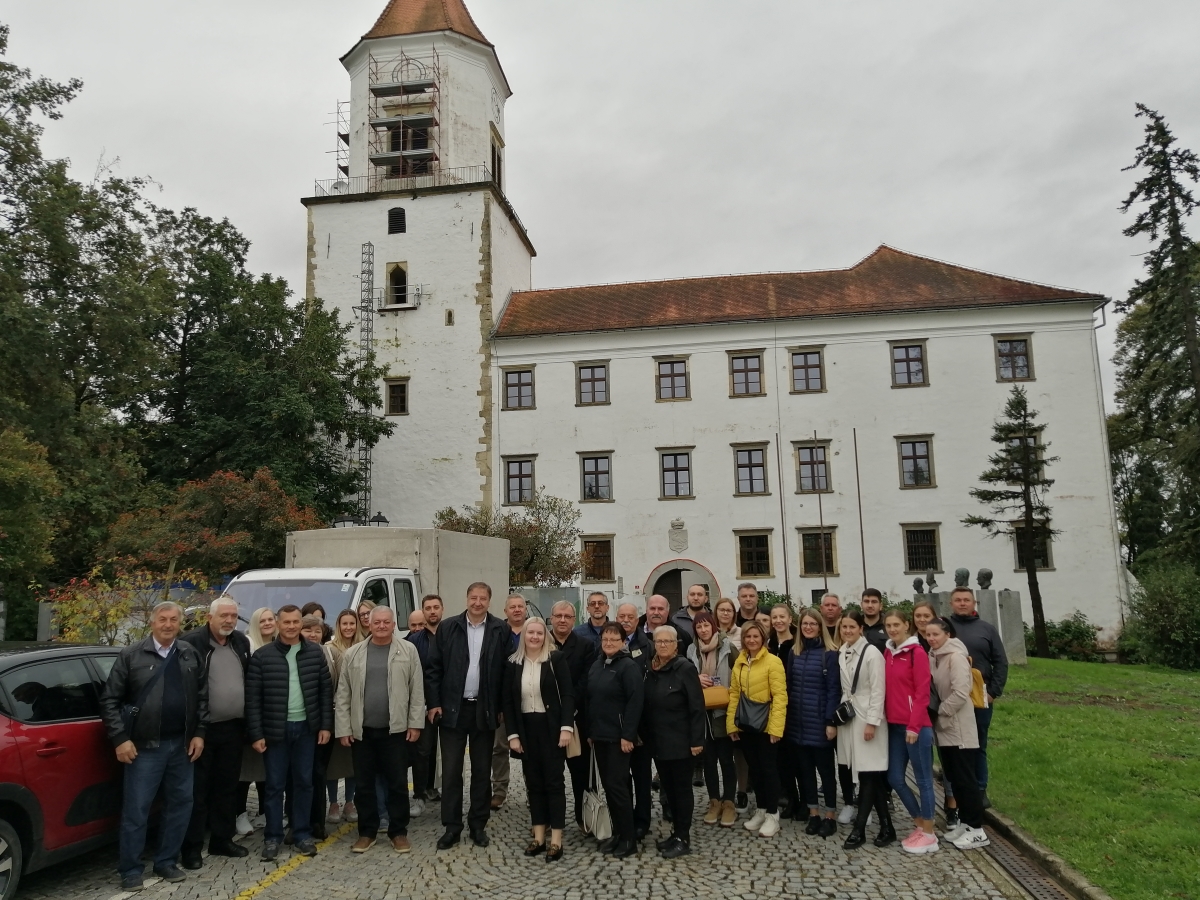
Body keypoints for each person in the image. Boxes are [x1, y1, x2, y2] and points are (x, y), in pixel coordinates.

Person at [100, 601, 208, 891]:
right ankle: (131, 870)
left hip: (181, 746)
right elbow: (109, 701)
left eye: (174, 619)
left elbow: (202, 698)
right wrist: (120, 739)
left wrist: (199, 733)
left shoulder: (188, 653)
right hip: (143, 748)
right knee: (137, 809)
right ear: (152, 622)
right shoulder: (132, 655)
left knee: (181, 805)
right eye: (163, 619)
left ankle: (166, 861)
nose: (168, 624)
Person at [426, 582, 509, 850]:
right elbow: (434, 668)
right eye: (473, 597)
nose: (477, 602)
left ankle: (477, 825)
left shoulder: (500, 629)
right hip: (453, 709)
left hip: (484, 710)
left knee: (482, 771)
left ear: (489, 601)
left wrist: (501, 707)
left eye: (482, 598)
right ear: (466, 598)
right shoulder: (449, 627)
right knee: (451, 772)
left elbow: (506, 674)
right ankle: (452, 827)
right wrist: (434, 703)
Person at [335, 606, 425, 855]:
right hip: (362, 732)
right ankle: (367, 832)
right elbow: (343, 694)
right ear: (370, 625)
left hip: (395, 731)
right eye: (378, 622)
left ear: (394, 624)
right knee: (364, 785)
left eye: (387, 622)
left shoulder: (408, 651)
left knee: (397, 783)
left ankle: (398, 832)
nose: (382, 626)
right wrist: (343, 727)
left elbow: (417, 691)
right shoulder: (354, 654)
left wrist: (415, 723)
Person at [246, 604, 333, 861]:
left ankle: (302, 834)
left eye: (296, 622)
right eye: (287, 622)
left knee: (305, 783)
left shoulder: (315, 654)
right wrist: (256, 733)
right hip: (275, 731)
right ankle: (272, 838)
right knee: (274, 786)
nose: (292, 627)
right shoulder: (263, 656)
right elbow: (253, 699)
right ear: (278, 623)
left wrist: (325, 726)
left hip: (306, 729)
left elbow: (325, 693)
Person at [180, 597, 251, 868]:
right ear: (210, 617)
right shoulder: (191, 643)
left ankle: (222, 840)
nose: (229, 621)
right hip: (201, 731)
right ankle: (191, 848)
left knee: (226, 788)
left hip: (233, 729)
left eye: (233, 615)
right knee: (198, 791)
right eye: (224, 616)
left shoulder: (241, 643)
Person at [503, 618, 575, 862]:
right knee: (533, 784)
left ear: (546, 636)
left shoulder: (555, 659)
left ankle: (556, 840)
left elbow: (568, 694)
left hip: (551, 728)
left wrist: (566, 728)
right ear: (523, 635)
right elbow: (509, 703)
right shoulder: (514, 663)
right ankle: (539, 836)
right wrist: (512, 735)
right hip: (526, 728)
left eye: (539, 633)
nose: (534, 637)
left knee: (554, 783)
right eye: (530, 633)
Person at [925, 617, 990, 850]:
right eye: (928, 635)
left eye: (936, 635)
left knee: (966, 779)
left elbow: (961, 691)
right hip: (945, 728)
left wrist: (942, 711)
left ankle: (977, 829)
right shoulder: (935, 656)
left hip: (959, 726)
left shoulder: (955, 656)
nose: (932, 639)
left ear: (947, 635)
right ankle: (964, 822)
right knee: (953, 778)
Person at [644, 626, 705, 858]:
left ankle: (683, 837)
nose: (661, 645)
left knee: (681, 791)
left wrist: (697, 740)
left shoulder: (685, 669)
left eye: (667, 642)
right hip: (659, 743)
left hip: (681, 742)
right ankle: (675, 833)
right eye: (658, 641)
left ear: (676, 644)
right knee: (668, 791)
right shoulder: (653, 669)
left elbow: (697, 707)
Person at [586, 623, 644, 859]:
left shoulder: (628, 667)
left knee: (619, 787)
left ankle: (629, 838)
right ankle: (618, 833)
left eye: (614, 639)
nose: (609, 643)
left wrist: (628, 735)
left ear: (623, 642)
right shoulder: (597, 664)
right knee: (609, 787)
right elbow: (591, 700)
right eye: (605, 639)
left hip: (619, 738)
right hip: (599, 736)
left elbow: (635, 702)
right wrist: (590, 731)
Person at [837, 610, 893, 850]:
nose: (848, 631)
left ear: (861, 628)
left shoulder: (871, 653)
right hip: (851, 718)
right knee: (872, 776)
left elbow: (879, 690)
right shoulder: (842, 652)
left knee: (869, 774)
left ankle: (859, 829)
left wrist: (872, 722)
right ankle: (887, 827)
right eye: (844, 627)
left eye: (852, 627)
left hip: (869, 720)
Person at [783, 608, 841, 839]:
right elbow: (789, 686)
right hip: (798, 722)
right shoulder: (795, 653)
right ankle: (813, 813)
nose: (808, 627)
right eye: (805, 624)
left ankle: (830, 816)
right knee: (805, 772)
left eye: (812, 624)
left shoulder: (830, 654)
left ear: (820, 627)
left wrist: (830, 721)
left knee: (826, 772)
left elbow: (833, 690)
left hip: (819, 721)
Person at [883, 609, 937, 854]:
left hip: (916, 727)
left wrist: (915, 725)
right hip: (894, 726)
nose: (893, 629)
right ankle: (919, 822)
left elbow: (922, 693)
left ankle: (929, 834)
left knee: (924, 780)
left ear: (907, 625)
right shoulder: (888, 652)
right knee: (894, 777)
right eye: (889, 625)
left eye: (897, 625)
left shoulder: (917, 653)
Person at [727, 620, 787, 838]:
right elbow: (734, 694)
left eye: (755, 636)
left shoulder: (773, 662)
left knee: (769, 770)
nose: (751, 640)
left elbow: (780, 696)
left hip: (766, 724)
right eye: (747, 637)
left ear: (763, 638)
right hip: (746, 724)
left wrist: (776, 728)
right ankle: (761, 809)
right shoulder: (741, 662)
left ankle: (773, 814)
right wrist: (732, 724)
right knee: (755, 769)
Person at [949, 586, 1008, 807]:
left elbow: (1000, 662)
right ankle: (957, 791)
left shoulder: (987, 629)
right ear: (951, 603)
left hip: (979, 697)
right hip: (952, 696)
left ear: (974, 603)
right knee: (955, 746)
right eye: (958, 600)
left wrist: (993, 692)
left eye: (966, 600)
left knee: (979, 744)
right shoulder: (945, 628)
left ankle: (980, 789)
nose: (962, 603)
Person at [686, 611, 737, 827]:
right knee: (708, 761)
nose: (703, 630)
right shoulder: (691, 650)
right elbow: (685, 677)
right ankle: (714, 801)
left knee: (726, 760)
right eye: (699, 627)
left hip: (723, 712)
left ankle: (729, 803)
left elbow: (739, 677)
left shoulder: (728, 647)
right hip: (701, 713)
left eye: (707, 626)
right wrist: (695, 679)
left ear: (714, 627)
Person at [547, 601, 596, 829]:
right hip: (547, 719)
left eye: (567, 616)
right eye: (558, 616)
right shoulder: (541, 642)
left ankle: (582, 817)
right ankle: (549, 819)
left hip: (577, 718)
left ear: (574, 620)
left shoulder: (586, 646)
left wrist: (567, 705)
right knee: (550, 774)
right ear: (552, 618)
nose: (563, 620)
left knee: (580, 773)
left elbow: (586, 680)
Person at [302, 615, 343, 840]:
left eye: (316, 631)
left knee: (318, 774)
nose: (313, 634)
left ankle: (317, 823)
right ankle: (297, 821)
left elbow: (335, 688)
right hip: (299, 724)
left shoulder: (330, 653)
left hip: (322, 725)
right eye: (308, 630)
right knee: (298, 776)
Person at [615, 602, 653, 837]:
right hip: (616, 722)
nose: (626, 620)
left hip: (642, 723)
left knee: (641, 775)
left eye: (630, 616)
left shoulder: (647, 646)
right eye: (622, 616)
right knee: (620, 776)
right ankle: (623, 818)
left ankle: (642, 820)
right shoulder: (609, 644)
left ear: (637, 621)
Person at [491, 594, 528, 810]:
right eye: (512, 607)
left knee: (530, 748)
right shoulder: (497, 633)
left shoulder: (534, 631)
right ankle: (499, 790)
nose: (516, 610)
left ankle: (533, 791)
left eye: (520, 606)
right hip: (503, 701)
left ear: (525, 610)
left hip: (529, 700)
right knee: (499, 747)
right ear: (505, 611)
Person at [327, 609, 361, 825]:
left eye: (352, 623)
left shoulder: (363, 647)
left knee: (353, 762)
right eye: (344, 624)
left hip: (357, 712)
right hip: (336, 712)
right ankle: (332, 802)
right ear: (338, 626)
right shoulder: (330, 650)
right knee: (334, 762)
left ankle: (350, 801)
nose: (348, 627)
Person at [416, 594, 444, 802]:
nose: (432, 611)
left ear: (442, 609)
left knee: (444, 750)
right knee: (424, 749)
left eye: (436, 607)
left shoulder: (451, 633)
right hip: (424, 703)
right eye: (428, 608)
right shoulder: (414, 640)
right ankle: (420, 791)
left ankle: (435, 787)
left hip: (449, 702)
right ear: (423, 611)